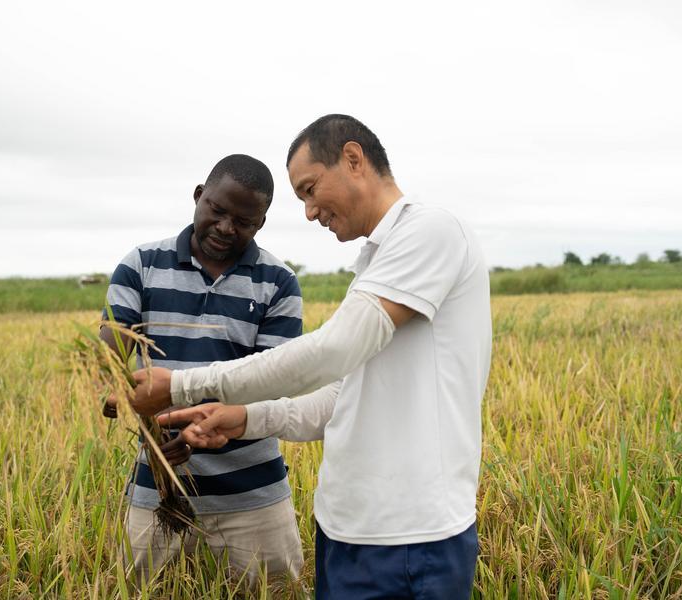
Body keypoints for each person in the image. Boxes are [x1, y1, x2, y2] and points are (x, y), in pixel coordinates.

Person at [113, 114, 493, 598]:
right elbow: (341, 398)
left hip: (411, 536)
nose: (310, 212)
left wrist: (182, 385)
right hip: (347, 532)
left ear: (353, 159)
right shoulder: (376, 263)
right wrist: (244, 419)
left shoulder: (431, 231)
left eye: (310, 189)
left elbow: (333, 349)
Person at [99, 154, 305, 586]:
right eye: (217, 210)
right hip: (156, 487)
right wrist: (156, 436)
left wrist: (181, 416)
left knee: (275, 592)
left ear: (261, 224)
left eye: (244, 221)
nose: (227, 228)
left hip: (253, 494)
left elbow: (272, 383)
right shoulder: (141, 266)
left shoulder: (278, 283)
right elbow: (109, 375)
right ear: (198, 196)